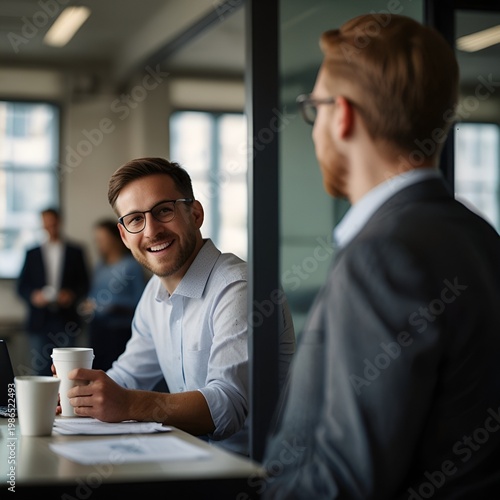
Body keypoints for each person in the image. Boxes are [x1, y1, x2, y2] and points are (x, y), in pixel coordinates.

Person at [262, 14, 500, 499]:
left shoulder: (382, 256)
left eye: (314, 109)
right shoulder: (481, 236)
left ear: (342, 115)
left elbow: (345, 483)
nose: (313, 131)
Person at [62, 157, 296, 455]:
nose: (151, 231)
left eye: (163, 211)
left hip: (258, 475)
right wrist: (76, 395)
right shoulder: (153, 293)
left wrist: (129, 403)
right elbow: (128, 377)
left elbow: (227, 406)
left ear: (195, 213)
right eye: (135, 219)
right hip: (195, 461)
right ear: (124, 236)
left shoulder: (239, 287)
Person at [17, 208, 90, 376]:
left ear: (60, 223)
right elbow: (22, 286)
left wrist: (71, 295)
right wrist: (33, 296)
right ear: (42, 225)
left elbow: (85, 283)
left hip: (67, 320)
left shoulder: (76, 251)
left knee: (68, 371)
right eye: (46, 224)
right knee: (40, 370)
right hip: (39, 320)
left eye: (53, 223)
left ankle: (65, 403)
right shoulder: (32, 253)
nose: (50, 228)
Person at [81, 219, 148, 371]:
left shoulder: (132, 266)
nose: (99, 244)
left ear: (116, 238)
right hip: (98, 331)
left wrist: (112, 307)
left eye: (102, 239)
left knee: (119, 376)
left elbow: (139, 301)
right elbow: (93, 295)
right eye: (96, 240)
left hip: (120, 333)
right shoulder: (100, 266)